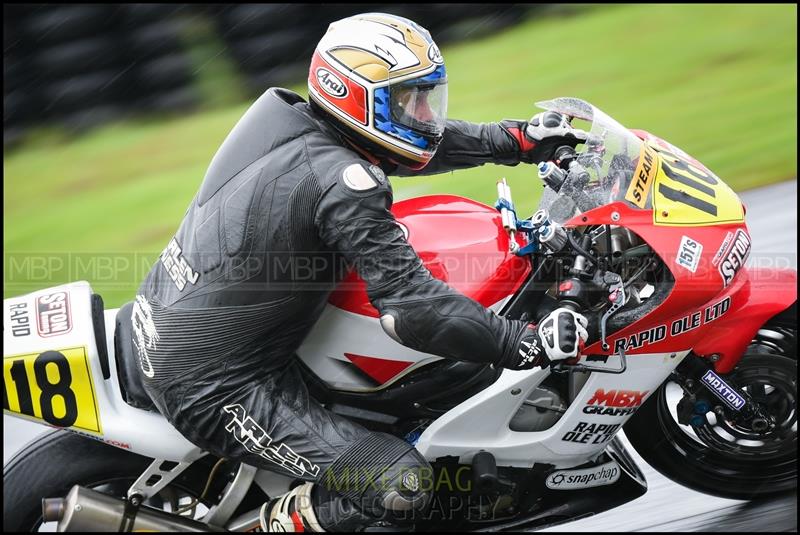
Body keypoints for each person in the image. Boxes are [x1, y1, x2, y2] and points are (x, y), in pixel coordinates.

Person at [131, 12, 589, 532]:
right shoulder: (344, 183)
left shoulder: (288, 122)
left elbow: (408, 143)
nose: (424, 114)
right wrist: (522, 343)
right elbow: (416, 311)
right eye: (408, 100)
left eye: (425, 97)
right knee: (402, 485)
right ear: (357, 98)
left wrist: (515, 139)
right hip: (218, 388)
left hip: (169, 319)